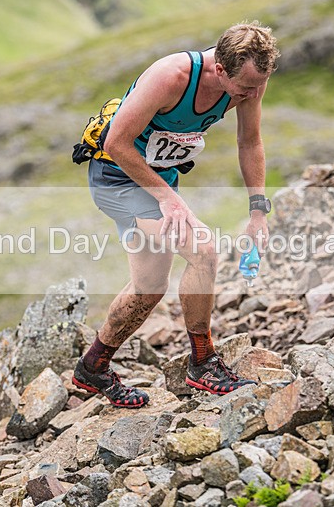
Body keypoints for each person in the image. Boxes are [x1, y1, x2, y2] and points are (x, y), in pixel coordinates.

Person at [72, 21, 279, 408]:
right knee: (204, 249)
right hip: (116, 177)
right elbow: (117, 143)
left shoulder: (251, 80)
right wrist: (168, 199)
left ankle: (93, 367)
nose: (253, 94)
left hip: (157, 180)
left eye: (258, 86)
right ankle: (202, 363)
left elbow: (250, 142)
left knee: (149, 287)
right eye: (245, 88)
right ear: (220, 68)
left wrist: (257, 211)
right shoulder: (171, 77)